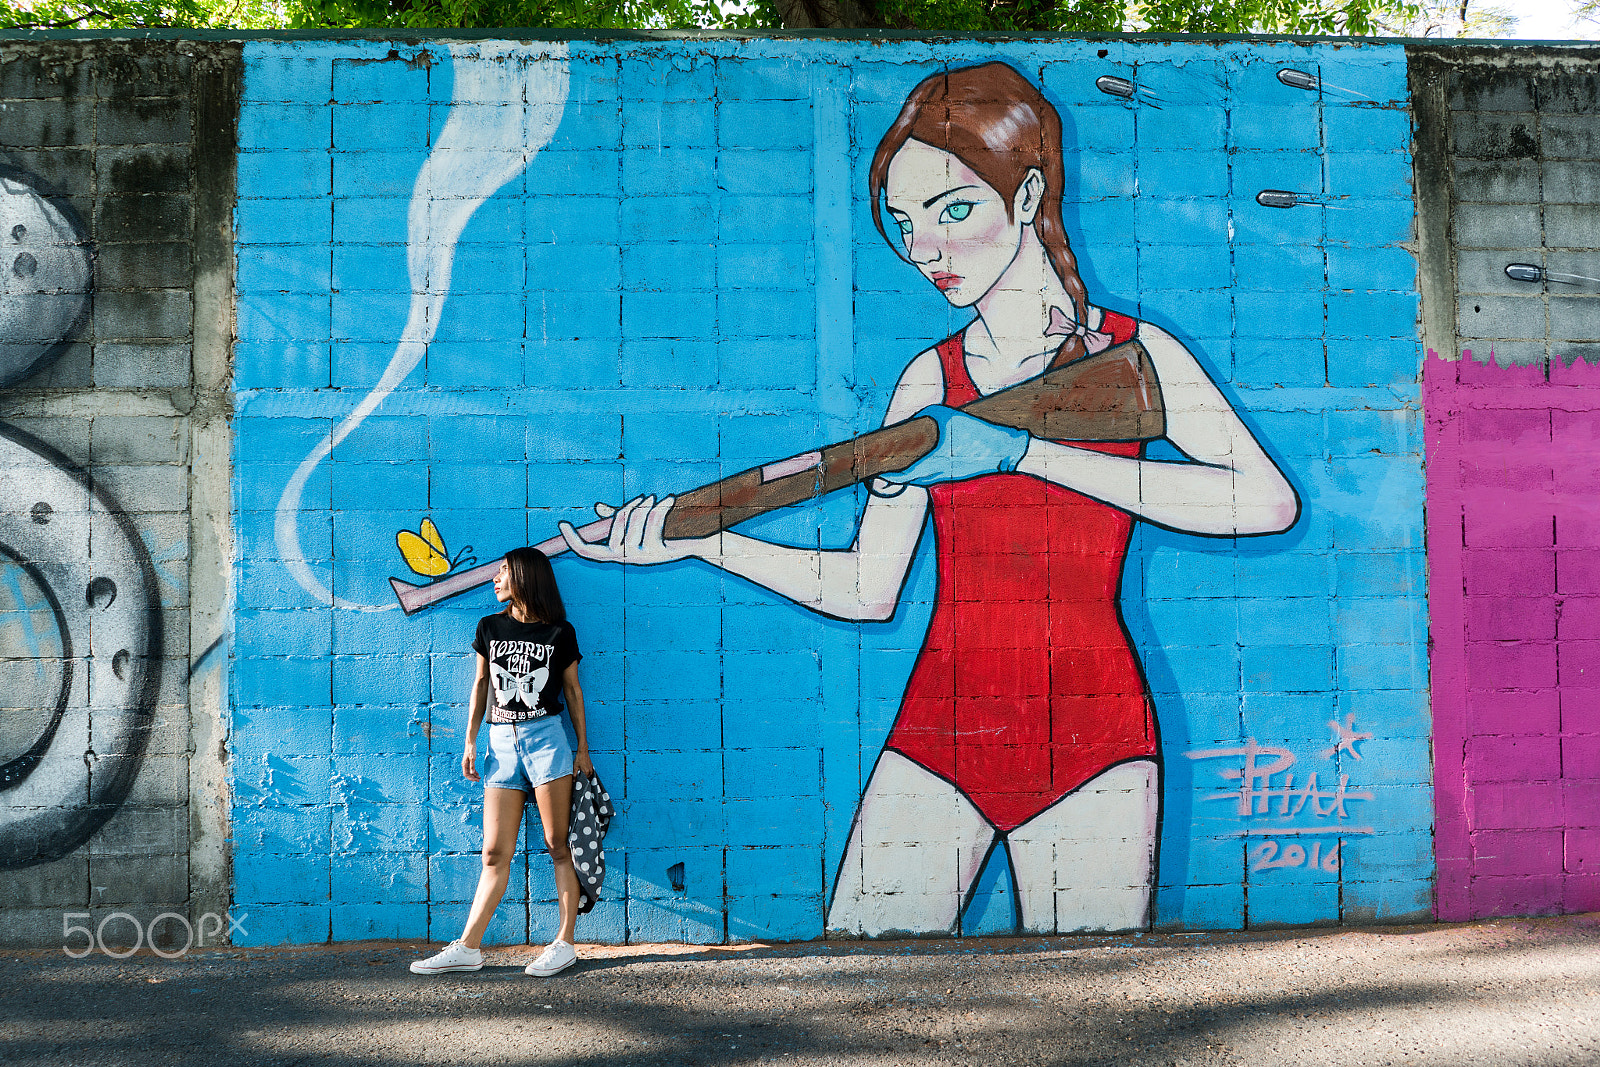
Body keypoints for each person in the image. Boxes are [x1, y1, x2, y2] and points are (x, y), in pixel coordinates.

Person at [559, 62, 1298, 937]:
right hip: (941, 727)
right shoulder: (928, 380)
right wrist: (701, 540)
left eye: (953, 212)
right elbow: (868, 590)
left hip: (1095, 736)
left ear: (1026, 197)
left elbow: (1266, 502)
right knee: (849, 988)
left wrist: (1023, 453)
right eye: (907, 226)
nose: (927, 253)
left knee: (1092, 1013)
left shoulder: (1140, 356)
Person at [411, 547, 592, 975]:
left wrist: (582, 748)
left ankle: (565, 942)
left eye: (503, 572)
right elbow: (480, 685)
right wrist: (470, 741)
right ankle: (469, 947)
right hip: (501, 744)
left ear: (525, 579)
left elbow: (572, 691)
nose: (495, 580)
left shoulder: (559, 633)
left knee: (557, 844)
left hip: (547, 741)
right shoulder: (489, 627)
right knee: (493, 851)